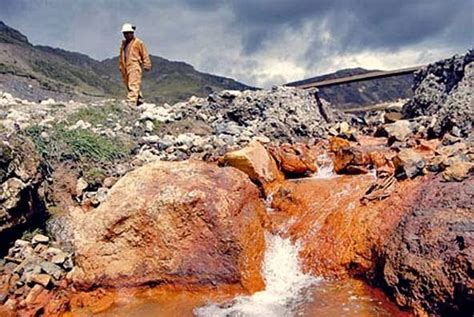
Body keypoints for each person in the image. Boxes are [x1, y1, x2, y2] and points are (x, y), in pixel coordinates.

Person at [119, 23, 152, 106]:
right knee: (128, 83)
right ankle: (138, 99)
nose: (126, 35)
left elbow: (144, 53)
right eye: (124, 33)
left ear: (132, 33)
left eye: (127, 33)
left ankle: (131, 102)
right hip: (125, 66)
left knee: (133, 83)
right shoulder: (123, 44)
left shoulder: (138, 42)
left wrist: (147, 64)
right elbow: (122, 55)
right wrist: (121, 65)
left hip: (134, 65)